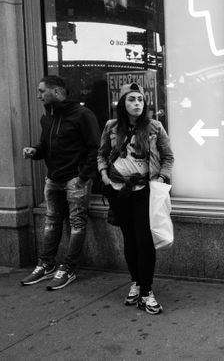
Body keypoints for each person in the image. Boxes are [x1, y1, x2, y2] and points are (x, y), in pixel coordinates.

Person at [97, 82, 174, 315]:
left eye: (140, 100)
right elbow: (101, 153)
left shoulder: (154, 127)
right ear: (122, 103)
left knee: (144, 240)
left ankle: (147, 291)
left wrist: (161, 178)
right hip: (118, 190)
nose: (137, 104)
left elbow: (169, 157)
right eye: (131, 100)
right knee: (129, 238)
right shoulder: (111, 127)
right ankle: (136, 282)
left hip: (144, 191)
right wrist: (103, 175)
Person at [21, 76, 100, 290]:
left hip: (75, 180)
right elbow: (45, 145)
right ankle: (45, 264)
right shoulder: (47, 117)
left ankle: (68, 268)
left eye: (41, 91)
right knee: (51, 221)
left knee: (76, 223)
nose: (38, 96)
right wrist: (35, 151)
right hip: (53, 179)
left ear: (56, 92)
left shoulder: (83, 115)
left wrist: (82, 178)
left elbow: (96, 148)